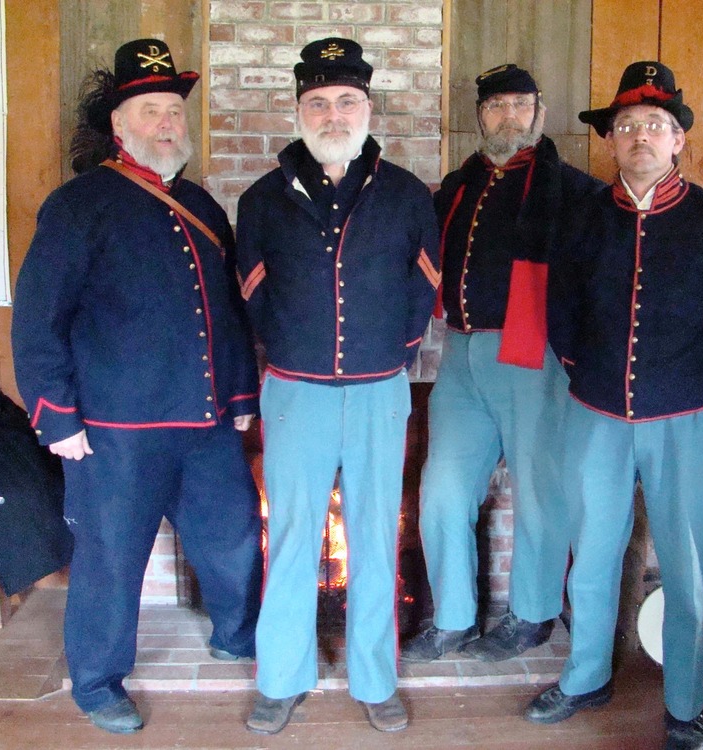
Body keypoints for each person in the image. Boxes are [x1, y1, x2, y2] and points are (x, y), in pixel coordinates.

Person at [11, 39, 264, 735]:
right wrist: (57, 417)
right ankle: (95, 681)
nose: (165, 124)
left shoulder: (204, 206)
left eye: (173, 112)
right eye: (150, 111)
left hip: (207, 423)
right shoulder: (78, 205)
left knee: (235, 537)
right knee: (110, 562)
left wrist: (241, 398)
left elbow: (229, 313)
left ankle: (237, 636)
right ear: (119, 126)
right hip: (114, 432)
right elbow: (38, 319)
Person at [529, 61, 703, 750]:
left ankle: (685, 703)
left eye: (656, 126)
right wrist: (594, 383)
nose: (641, 136)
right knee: (595, 553)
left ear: (678, 143)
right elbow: (562, 317)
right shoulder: (579, 222)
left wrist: (702, 389)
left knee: (687, 564)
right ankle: (584, 678)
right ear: (611, 140)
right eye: (628, 125)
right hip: (596, 413)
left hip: (690, 422)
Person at [234, 38, 440, 735]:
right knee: (290, 539)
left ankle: (375, 680)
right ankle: (281, 677)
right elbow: (253, 296)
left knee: (378, 537)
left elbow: (424, 289)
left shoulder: (408, 194)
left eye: (346, 100)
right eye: (318, 102)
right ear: (298, 110)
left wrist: (394, 356)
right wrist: (297, 349)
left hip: (382, 392)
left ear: (368, 108)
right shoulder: (261, 200)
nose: (332, 113)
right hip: (294, 393)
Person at [401, 64, 601, 664]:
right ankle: (454, 617)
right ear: (480, 116)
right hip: (459, 356)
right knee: (441, 492)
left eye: (520, 105)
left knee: (539, 492)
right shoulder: (457, 188)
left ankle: (535, 614)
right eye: (495, 107)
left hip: (533, 355)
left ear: (539, 114)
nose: (508, 117)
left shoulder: (576, 192)